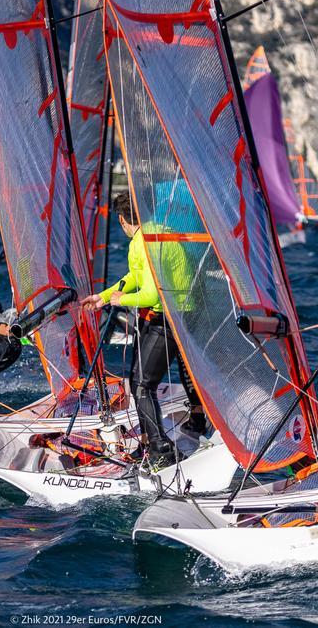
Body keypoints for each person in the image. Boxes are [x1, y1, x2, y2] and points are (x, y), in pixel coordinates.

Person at [81, 191, 206, 467]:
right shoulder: (158, 232)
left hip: (170, 320)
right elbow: (136, 276)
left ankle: (161, 449)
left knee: (141, 384)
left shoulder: (143, 243)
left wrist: (121, 300)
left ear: (123, 219)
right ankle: (191, 425)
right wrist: (103, 297)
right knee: (156, 376)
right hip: (188, 314)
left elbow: (151, 295)